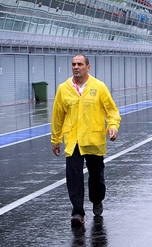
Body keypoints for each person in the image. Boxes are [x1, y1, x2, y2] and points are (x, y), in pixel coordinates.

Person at [51, 54, 121, 227]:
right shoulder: (63, 88)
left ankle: (97, 200)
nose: (76, 67)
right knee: (73, 177)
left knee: (96, 177)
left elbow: (112, 111)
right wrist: (56, 139)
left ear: (88, 67)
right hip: (73, 141)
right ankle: (77, 212)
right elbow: (58, 116)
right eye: (73, 64)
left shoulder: (99, 87)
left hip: (93, 139)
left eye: (80, 64)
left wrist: (112, 127)